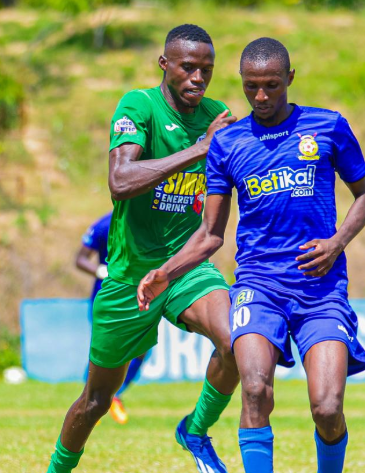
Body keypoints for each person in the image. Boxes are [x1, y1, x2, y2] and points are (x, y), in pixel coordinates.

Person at [138, 37, 365, 473]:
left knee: (326, 408)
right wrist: (166, 273)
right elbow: (211, 234)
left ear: (290, 78)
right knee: (254, 390)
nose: (261, 96)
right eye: (251, 87)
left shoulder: (328, 126)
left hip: (320, 289)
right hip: (258, 287)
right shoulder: (229, 144)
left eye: (271, 85)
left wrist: (338, 241)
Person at [47, 24, 239, 473]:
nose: (198, 78)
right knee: (95, 401)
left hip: (186, 267)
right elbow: (120, 182)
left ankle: (195, 429)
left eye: (206, 70)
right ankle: (57, 468)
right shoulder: (139, 106)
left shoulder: (218, 115)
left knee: (238, 343)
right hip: (130, 275)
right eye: (188, 67)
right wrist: (198, 150)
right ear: (164, 64)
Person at [75, 211, 146, 425]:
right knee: (103, 351)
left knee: (141, 348)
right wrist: (100, 271)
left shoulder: (150, 221)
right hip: (105, 296)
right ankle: (90, 402)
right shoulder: (105, 225)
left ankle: (115, 395)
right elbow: (80, 259)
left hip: (138, 295)